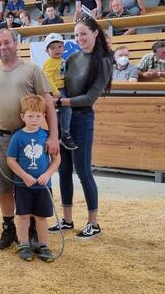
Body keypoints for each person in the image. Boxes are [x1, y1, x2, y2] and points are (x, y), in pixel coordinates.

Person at [0, 28, 58, 250]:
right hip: (0, 139)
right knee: (3, 187)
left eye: (6, 42)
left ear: (16, 44)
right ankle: (9, 229)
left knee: (31, 183)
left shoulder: (32, 70)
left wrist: (53, 135)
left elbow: (48, 103)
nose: (3, 47)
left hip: (29, 139)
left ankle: (33, 228)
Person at [47, 17, 112, 239]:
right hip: (63, 119)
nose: (80, 38)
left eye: (83, 33)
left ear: (95, 33)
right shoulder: (72, 57)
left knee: (83, 171)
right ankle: (67, 219)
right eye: (76, 35)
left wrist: (63, 102)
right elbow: (59, 84)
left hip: (81, 119)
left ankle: (93, 223)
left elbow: (91, 97)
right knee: (63, 170)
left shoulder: (103, 60)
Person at [6, 94, 60, 262]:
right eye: (30, 116)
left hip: (43, 186)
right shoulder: (18, 137)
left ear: (44, 115)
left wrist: (47, 174)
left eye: (38, 115)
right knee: (23, 216)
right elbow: (11, 160)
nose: (35, 119)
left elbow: (57, 159)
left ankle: (43, 245)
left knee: (41, 217)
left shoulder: (47, 136)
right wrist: (24, 175)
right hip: (24, 186)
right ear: (23, 116)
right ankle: (24, 245)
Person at [42, 33, 77, 150]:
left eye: (59, 46)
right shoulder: (49, 62)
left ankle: (57, 132)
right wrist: (56, 91)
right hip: (57, 90)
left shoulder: (61, 60)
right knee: (67, 109)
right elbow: (47, 78)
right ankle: (65, 134)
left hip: (64, 88)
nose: (57, 50)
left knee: (62, 112)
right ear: (47, 51)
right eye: (52, 48)